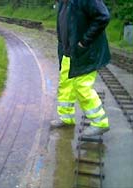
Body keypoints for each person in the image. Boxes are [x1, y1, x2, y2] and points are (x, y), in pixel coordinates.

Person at [50, 0, 111, 136]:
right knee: (65, 86)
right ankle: (66, 118)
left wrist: (84, 42)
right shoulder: (62, 2)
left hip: (85, 53)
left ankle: (100, 123)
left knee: (82, 86)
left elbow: (103, 16)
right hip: (68, 53)